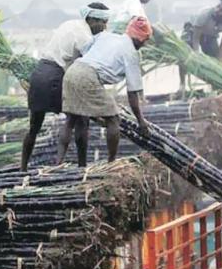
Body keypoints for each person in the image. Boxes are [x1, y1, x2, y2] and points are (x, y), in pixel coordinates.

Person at [20, 2, 110, 171]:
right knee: (78, 119)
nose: (104, 27)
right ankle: (72, 165)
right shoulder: (86, 38)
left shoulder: (69, 24)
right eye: (103, 22)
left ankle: (23, 168)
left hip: (40, 73)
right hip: (57, 76)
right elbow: (89, 66)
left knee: (34, 126)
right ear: (92, 19)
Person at [57, 17, 152, 167]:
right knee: (113, 119)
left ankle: (58, 162)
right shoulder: (131, 54)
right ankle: (111, 163)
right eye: (144, 40)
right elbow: (132, 93)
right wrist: (141, 121)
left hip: (72, 71)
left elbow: (85, 51)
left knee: (71, 119)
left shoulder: (106, 36)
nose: (144, 44)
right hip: (88, 76)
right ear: (139, 38)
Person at [179, 0, 222, 96]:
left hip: (210, 35)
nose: (217, 10)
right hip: (192, 30)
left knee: (215, 59)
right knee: (183, 54)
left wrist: (220, 63)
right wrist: (196, 54)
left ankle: (216, 87)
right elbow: (196, 38)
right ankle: (182, 84)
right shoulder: (205, 15)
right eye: (218, 6)